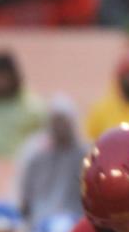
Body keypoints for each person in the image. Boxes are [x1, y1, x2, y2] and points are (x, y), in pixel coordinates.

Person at [13, 94, 87, 223]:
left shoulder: (84, 156)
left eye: (63, 121)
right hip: (39, 221)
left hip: (74, 219)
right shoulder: (36, 155)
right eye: (55, 121)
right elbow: (24, 195)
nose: (59, 126)